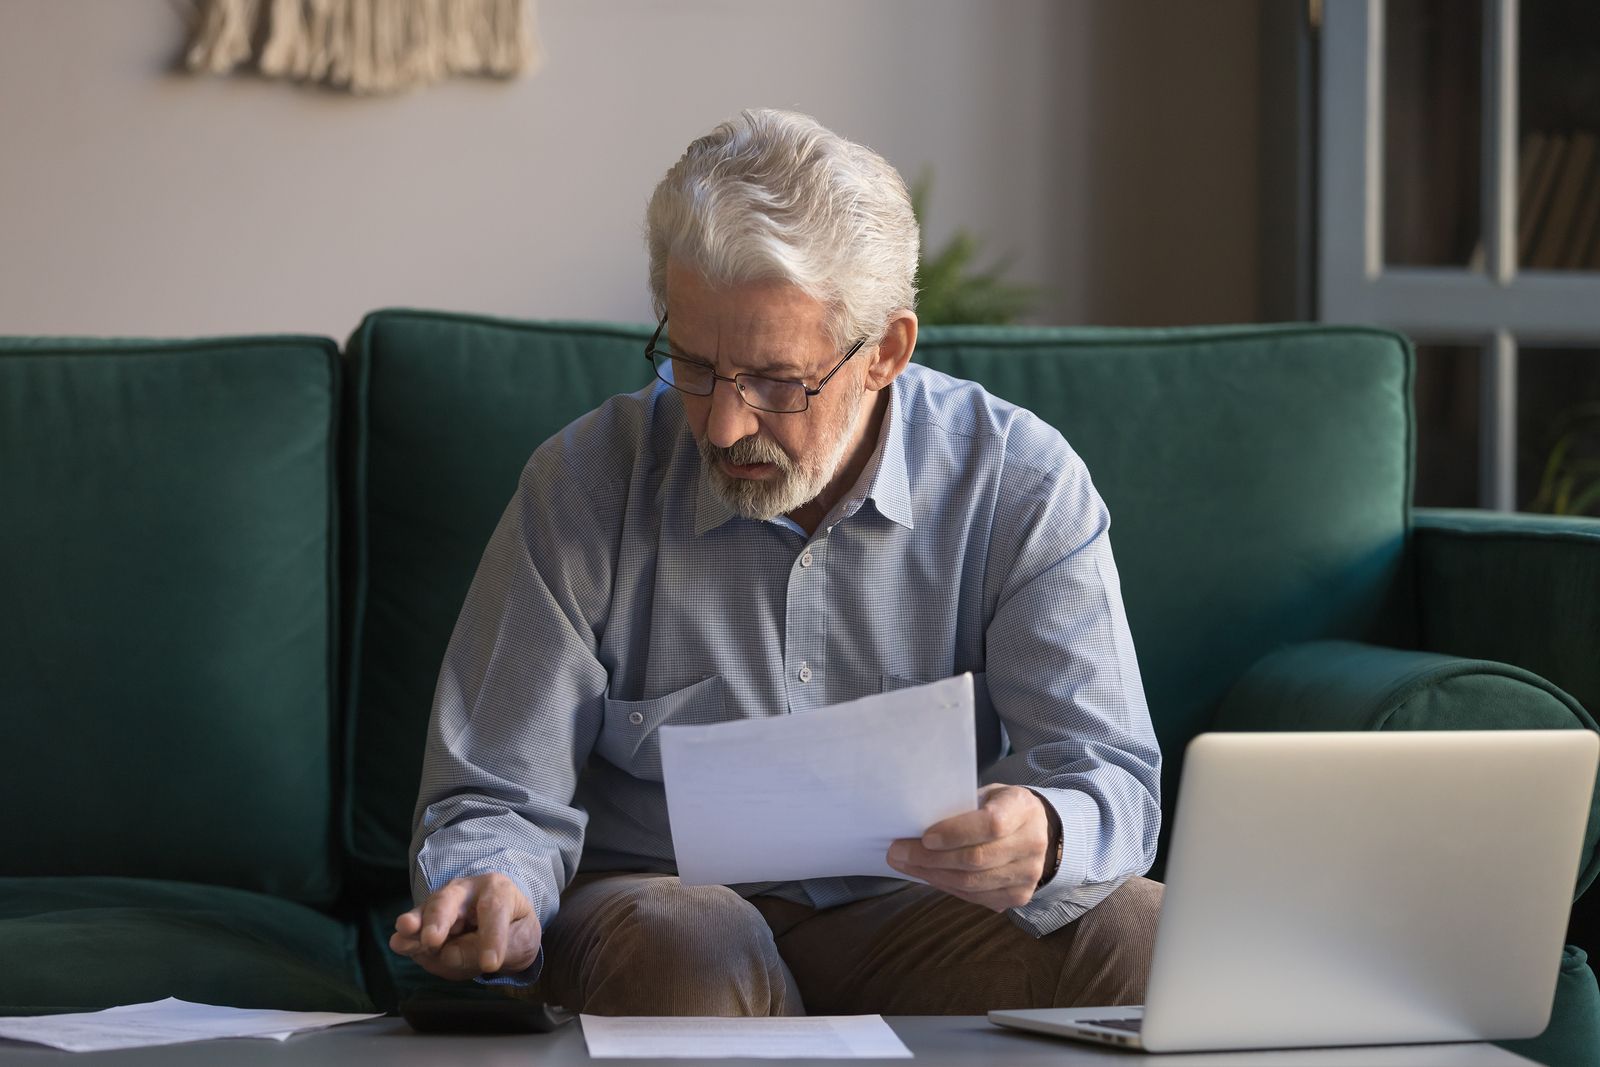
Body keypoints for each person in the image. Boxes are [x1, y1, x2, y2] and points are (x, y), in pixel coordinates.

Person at [390, 108, 1163, 1016]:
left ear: (885, 353)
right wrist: (494, 890)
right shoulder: (586, 484)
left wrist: (1047, 830)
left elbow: (1107, 770)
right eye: (692, 363)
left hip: (915, 919)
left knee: (1139, 933)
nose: (722, 424)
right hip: (658, 909)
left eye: (775, 381)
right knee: (693, 945)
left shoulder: (1019, 483)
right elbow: (492, 794)